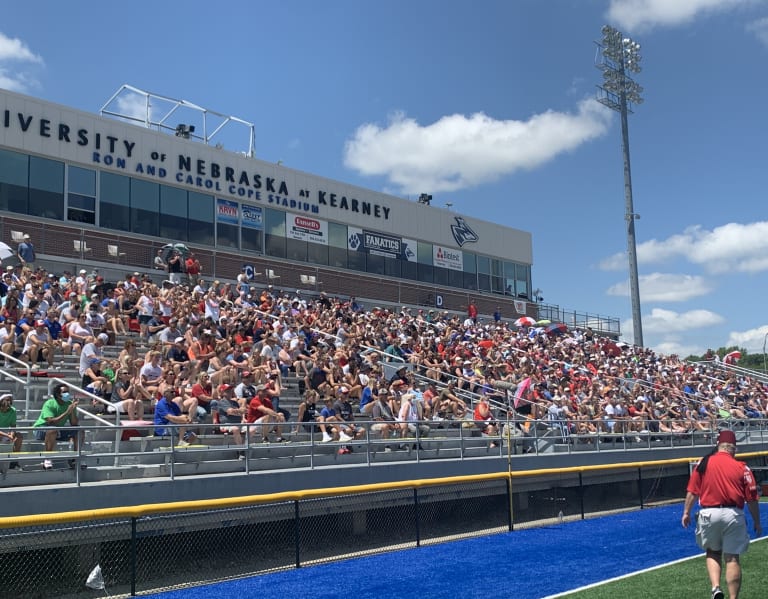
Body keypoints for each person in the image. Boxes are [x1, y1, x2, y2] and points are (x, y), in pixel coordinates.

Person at [681, 430, 762, 599]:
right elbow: (752, 498)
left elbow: (692, 491)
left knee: (712, 552)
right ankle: (733, 597)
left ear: (718, 446)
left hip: (709, 513)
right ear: (734, 448)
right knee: (732, 558)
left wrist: (686, 512)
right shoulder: (742, 467)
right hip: (733, 513)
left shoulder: (703, 463)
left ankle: (716, 587)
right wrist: (757, 521)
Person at [33, 384, 82, 469]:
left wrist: (72, 410)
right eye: (65, 392)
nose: (67, 394)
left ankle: (75, 458)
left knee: (79, 430)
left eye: (68, 392)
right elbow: (51, 421)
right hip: (42, 428)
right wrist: (67, 412)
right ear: (58, 395)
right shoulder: (49, 403)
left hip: (57, 429)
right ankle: (47, 458)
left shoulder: (70, 404)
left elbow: (74, 424)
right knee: (52, 429)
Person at [0, 393, 22, 467]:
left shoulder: (13, 410)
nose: (8, 402)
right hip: (3, 433)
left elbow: (13, 426)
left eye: (10, 400)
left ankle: (14, 461)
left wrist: (12, 434)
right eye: (7, 400)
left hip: (6, 432)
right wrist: (7, 435)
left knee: (19, 436)